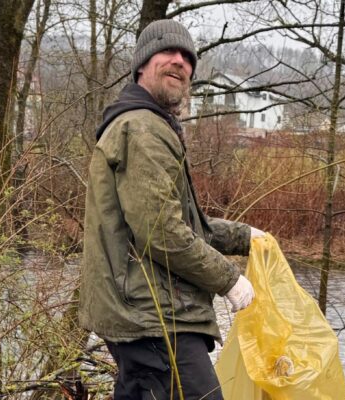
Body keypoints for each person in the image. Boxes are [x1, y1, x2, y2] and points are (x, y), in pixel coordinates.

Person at [79, 19, 265, 400]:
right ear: (142, 65)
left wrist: (245, 237)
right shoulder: (143, 128)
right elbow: (162, 233)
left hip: (147, 313)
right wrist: (229, 280)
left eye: (187, 57)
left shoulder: (148, 123)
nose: (179, 61)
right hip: (153, 316)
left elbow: (181, 223)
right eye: (167, 52)